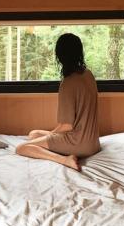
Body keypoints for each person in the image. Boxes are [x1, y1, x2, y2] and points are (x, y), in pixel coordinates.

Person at [15, 33, 100, 171]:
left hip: (78, 143)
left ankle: (65, 159)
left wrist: (52, 135)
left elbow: (67, 126)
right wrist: (51, 135)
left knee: (22, 148)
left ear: (59, 55)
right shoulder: (88, 74)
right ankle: (59, 150)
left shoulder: (68, 82)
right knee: (33, 134)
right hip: (93, 143)